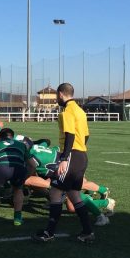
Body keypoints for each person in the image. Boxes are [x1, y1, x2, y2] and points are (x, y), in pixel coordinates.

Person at [33, 83, 93, 243]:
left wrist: (65, 158)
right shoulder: (80, 111)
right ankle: (87, 231)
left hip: (71, 156)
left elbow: (69, 135)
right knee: (74, 194)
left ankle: (49, 233)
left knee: (55, 192)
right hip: (82, 155)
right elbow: (86, 136)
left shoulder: (66, 111)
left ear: (60, 94)